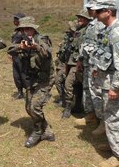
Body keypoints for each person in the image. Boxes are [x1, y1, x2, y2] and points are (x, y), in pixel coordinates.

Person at [90, 0, 119, 167]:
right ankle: (112, 145)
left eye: (99, 11)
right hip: (107, 82)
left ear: (109, 11)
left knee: (116, 119)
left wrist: (117, 87)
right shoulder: (109, 29)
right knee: (110, 117)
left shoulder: (117, 32)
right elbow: (107, 56)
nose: (96, 14)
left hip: (115, 86)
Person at [7, 16, 55, 148]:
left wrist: (36, 47)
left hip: (45, 79)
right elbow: (9, 49)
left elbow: (47, 52)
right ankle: (47, 131)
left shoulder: (42, 39)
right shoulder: (20, 40)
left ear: (34, 29)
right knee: (29, 107)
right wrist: (20, 48)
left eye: (29, 29)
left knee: (35, 106)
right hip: (32, 79)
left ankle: (38, 132)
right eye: (23, 29)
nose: (26, 31)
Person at [75, 0, 105, 135]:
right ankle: (91, 116)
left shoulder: (103, 25)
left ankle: (102, 122)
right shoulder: (92, 24)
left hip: (96, 66)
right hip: (88, 64)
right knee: (87, 91)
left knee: (98, 94)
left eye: (90, 8)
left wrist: (98, 66)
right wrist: (80, 60)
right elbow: (86, 43)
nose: (88, 10)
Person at [61, 10, 92, 118]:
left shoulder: (88, 31)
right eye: (79, 17)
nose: (79, 19)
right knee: (77, 86)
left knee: (68, 84)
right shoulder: (78, 30)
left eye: (81, 18)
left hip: (80, 63)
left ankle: (68, 107)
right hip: (72, 61)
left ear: (87, 20)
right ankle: (77, 106)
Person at [54, 21, 77, 107]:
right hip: (64, 63)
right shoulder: (67, 37)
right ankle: (62, 99)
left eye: (71, 28)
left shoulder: (78, 37)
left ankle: (68, 102)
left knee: (67, 82)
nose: (70, 30)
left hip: (72, 64)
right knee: (57, 80)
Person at [11, 13, 26, 99]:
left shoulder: (25, 31)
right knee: (16, 75)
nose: (14, 21)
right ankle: (20, 92)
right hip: (15, 56)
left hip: (22, 57)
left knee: (24, 75)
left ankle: (28, 91)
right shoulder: (16, 31)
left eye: (16, 19)